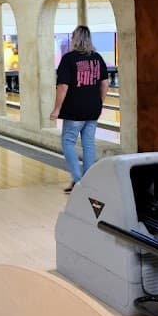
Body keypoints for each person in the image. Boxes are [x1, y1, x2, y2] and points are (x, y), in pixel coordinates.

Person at [49, 25, 109, 192]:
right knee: (88, 144)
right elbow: (105, 83)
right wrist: (99, 102)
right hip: (92, 109)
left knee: (68, 142)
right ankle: (88, 181)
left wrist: (56, 109)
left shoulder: (69, 59)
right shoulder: (97, 58)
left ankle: (78, 180)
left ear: (74, 39)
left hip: (75, 110)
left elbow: (62, 86)